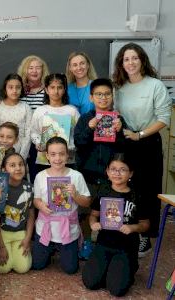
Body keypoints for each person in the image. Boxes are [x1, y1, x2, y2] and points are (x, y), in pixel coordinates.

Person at [112, 42, 172, 257]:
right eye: (126, 59)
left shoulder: (155, 85)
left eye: (134, 58)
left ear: (142, 60)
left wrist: (140, 135)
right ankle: (127, 231)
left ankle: (144, 237)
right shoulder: (119, 88)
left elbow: (164, 118)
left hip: (148, 144)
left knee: (147, 191)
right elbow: (116, 116)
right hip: (127, 143)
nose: (131, 63)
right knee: (128, 188)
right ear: (121, 63)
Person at [82, 153, 150, 297]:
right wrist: (93, 224)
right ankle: (110, 267)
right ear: (107, 171)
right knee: (91, 282)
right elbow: (93, 215)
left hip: (125, 247)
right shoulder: (102, 191)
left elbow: (145, 224)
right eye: (113, 169)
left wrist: (132, 228)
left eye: (122, 169)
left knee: (116, 289)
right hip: (104, 244)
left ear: (130, 173)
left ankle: (130, 265)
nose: (117, 173)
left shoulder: (137, 195)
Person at [74, 78, 127, 260]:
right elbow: (78, 143)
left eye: (106, 94)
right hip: (87, 175)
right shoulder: (85, 118)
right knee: (86, 211)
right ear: (91, 97)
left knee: (109, 211)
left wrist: (120, 132)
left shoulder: (118, 119)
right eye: (98, 94)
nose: (103, 98)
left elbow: (124, 149)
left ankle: (105, 244)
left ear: (111, 96)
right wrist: (90, 128)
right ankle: (87, 241)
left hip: (109, 178)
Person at [32, 137, 91, 274]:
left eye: (61, 154)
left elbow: (87, 201)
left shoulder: (76, 176)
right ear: (47, 156)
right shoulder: (40, 176)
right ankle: (49, 249)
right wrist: (41, 205)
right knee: (37, 265)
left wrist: (75, 195)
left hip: (67, 230)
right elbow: (36, 200)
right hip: (45, 228)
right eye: (53, 154)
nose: (57, 158)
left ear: (67, 155)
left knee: (70, 269)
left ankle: (65, 249)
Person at [0, 152, 34, 274]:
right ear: (4, 169)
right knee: (2, 269)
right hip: (2, 233)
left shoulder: (29, 188)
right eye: (13, 165)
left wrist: (27, 238)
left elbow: (31, 215)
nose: (18, 168)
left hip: (20, 233)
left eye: (21, 165)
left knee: (23, 268)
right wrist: (1, 247)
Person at [30, 73, 80, 174]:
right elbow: (33, 132)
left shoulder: (72, 111)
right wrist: (38, 142)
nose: (56, 91)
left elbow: (78, 135)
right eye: (52, 87)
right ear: (46, 90)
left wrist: (71, 146)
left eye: (59, 87)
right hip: (44, 160)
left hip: (67, 160)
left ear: (64, 89)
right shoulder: (40, 111)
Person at [17, 55, 50, 183]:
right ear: (25, 70)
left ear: (43, 70)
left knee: (39, 175)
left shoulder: (48, 91)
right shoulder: (19, 90)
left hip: (41, 139)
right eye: (30, 68)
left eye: (38, 68)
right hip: (23, 138)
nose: (34, 71)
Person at [0, 73, 32, 160]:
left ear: (21, 89)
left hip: (19, 153)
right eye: (10, 87)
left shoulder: (26, 108)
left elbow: (28, 135)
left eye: (18, 87)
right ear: (5, 89)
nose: (14, 90)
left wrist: (21, 157)